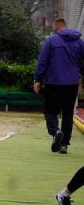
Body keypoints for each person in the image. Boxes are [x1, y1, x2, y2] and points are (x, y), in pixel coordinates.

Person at [33, 18, 84, 154]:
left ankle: (56, 131)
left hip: (53, 83)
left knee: (50, 111)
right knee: (67, 114)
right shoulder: (79, 42)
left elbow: (42, 61)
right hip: (71, 84)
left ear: (56, 26)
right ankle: (64, 145)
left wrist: (37, 79)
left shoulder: (51, 41)